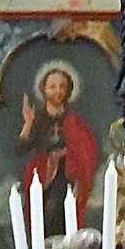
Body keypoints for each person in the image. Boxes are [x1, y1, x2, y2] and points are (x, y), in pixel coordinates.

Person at [19, 64, 98, 238]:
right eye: (53, 86)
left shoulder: (73, 120)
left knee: (62, 214)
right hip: (42, 176)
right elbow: (21, 148)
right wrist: (28, 124)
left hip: (67, 175)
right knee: (44, 215)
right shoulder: (37, 119)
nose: (58, 91)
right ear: (44, 89)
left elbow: (87, 147)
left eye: (62, 87)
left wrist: (68, 153)